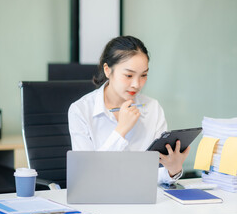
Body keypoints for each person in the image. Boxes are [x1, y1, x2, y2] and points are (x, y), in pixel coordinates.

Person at [68, 35, 190, 184]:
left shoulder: (153, 108)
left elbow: (153, 176)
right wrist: (121, 131)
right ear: (107, 70)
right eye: (128, 75)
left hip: (143, 199)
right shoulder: (80, 110)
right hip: (99, 201)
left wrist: (173, 170)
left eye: (143, 75)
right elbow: (86, 175)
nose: (136, 84)